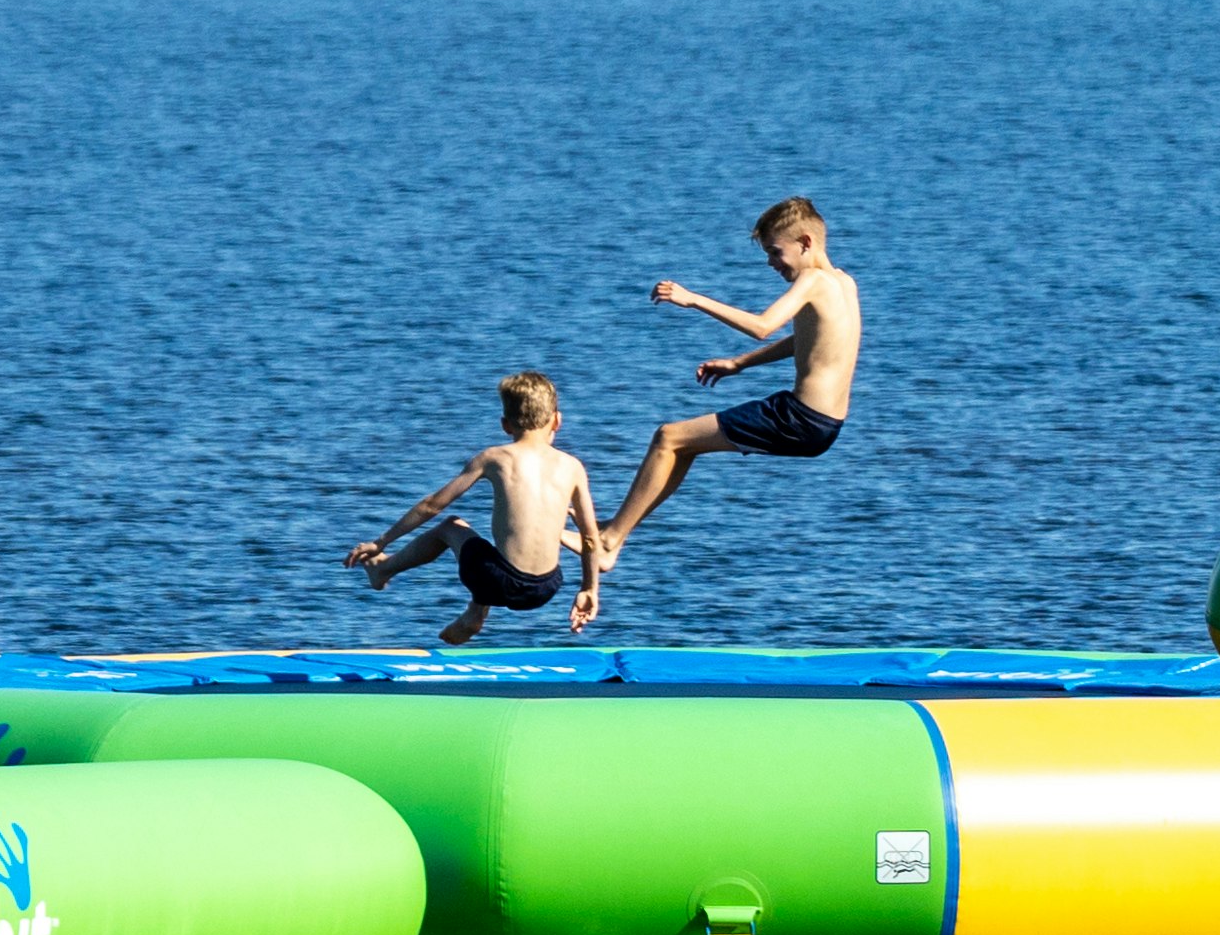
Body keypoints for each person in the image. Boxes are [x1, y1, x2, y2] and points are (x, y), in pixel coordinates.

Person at [593, 197, 861, 582]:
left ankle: (611, 539)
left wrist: (694, 299)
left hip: (798, 418)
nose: (771, 263)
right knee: (682, 444)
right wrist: (740, 363)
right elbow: (807, 339)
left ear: (805, 242)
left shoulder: (813, 280)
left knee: (667, 437)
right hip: (823, 423)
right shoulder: (844, 283)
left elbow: (764, 325)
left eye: (775, 252)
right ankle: (615, 533)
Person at [346, 371, 605, 644]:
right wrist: (589, 588)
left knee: (451, 526)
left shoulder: (494, 458)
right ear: (557, 420)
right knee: (494, 553)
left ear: (505, 425)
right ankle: (475, 610)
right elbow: (589, 538)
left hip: (499, 581)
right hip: (547, 587)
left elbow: (432, 506)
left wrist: (382, 541)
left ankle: (383, 570)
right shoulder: (573, 467)